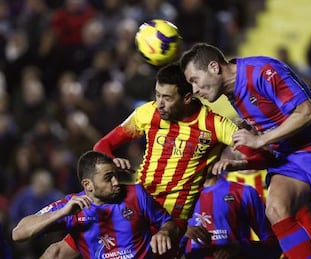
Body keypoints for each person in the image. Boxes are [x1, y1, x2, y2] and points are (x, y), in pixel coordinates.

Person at [39, 63, 271, 258]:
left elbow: (260, 157)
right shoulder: (147, 113)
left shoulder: (216, 125)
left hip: (169, 218)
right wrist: (112, 160)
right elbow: (102, 145)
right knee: (56, 252)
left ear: (187, 97)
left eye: (167, 98)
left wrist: (236, 163)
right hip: (136, 202)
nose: (159, 103)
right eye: (157, 95)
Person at [180, 43, 311, 258]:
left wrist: (259, 140)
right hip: (292, 156)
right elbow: (273, 139)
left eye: (194, 81)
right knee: (275, 209)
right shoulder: (231, 94)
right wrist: (243, 163)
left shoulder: (262, 72)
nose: (194, 90)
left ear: (214, 67)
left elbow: (307, 113)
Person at [12, 150, 179, 258]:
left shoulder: (136, 194)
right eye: (108, 178)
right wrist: (61, 213)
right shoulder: (73, 205)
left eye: (115, 175)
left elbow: (170, 223)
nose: (116, 182)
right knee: (53, 252)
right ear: (87, 185)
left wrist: (164, 232)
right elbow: (18, 234)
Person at [182, 171, 281, 259]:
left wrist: (240, 247)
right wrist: (180, 232)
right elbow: (169, 248)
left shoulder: (244, 192)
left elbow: (274, 246)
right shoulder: (179, 199)